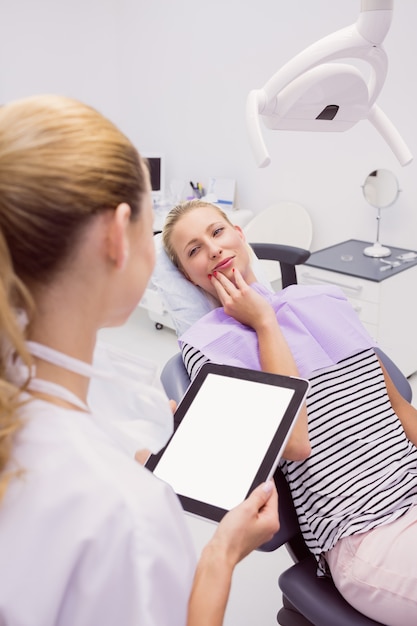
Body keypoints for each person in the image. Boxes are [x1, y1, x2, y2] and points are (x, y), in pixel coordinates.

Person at [0, 95, 280, 626]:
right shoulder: (128, 514)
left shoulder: (79, 397)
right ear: (116, 237)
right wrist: (223, 552)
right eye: (164, 236)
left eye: (218, 232)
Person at [162, 198, 417, 626]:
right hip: (364, 534)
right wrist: (264, 323)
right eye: (193, 250)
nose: (212, 248)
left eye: (217, 231)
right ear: (190, 277)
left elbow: (398, 407)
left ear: (240, 235)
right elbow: (295, 443)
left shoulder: (323, 300)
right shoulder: (206, 346)